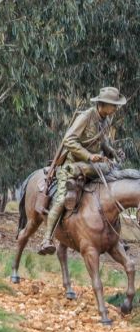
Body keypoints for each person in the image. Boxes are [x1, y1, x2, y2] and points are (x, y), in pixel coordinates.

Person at [38, 87, 126, 255]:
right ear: (104, 104)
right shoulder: (86, 117)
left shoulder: (104, 120)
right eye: (113, 105)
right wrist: (88, 156)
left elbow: (103, 142)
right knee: (62, 198)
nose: (115, 108)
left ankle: (114, 238)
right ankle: (47, 238)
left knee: (110, 192)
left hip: (91, 168)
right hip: (72, 167)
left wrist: (112, 152)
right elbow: (68, 140)